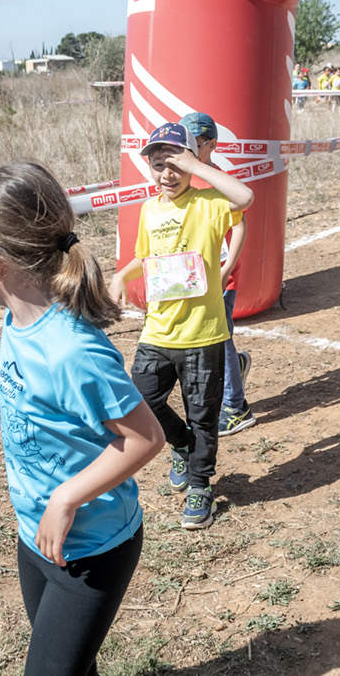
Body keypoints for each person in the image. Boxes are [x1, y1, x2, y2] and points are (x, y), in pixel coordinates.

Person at [0, 162, 165, 674]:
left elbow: (145, 438)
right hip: (37, 536)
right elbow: (15, 373)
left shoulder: (73, 350)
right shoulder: (21, 320)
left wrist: (65, 497)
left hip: (92, 548)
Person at [110, 122, 254, 529]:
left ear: (191, 163)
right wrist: (121, 275)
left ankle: (200, 485)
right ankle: (182, 444)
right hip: (157, 331)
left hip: (203, 334)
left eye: (176, 164)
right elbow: (145, 257)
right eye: (159, 165)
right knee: (140, 399)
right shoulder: (150, 210)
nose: (167, 174)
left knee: (203, 415)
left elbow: (245, 197)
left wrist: (196, 166)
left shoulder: (210, 203)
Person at [179, 111, 256, 437]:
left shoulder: (217, 181)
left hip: (220, 277)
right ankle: (236, 366)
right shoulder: (181, 179)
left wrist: (225, 270)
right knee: (210, 339)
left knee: (218, 339)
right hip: (193, 277)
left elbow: (240, 225)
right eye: (184, 142)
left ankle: (236, 408)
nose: (188, 150)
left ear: (212, 144)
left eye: (196, 143)